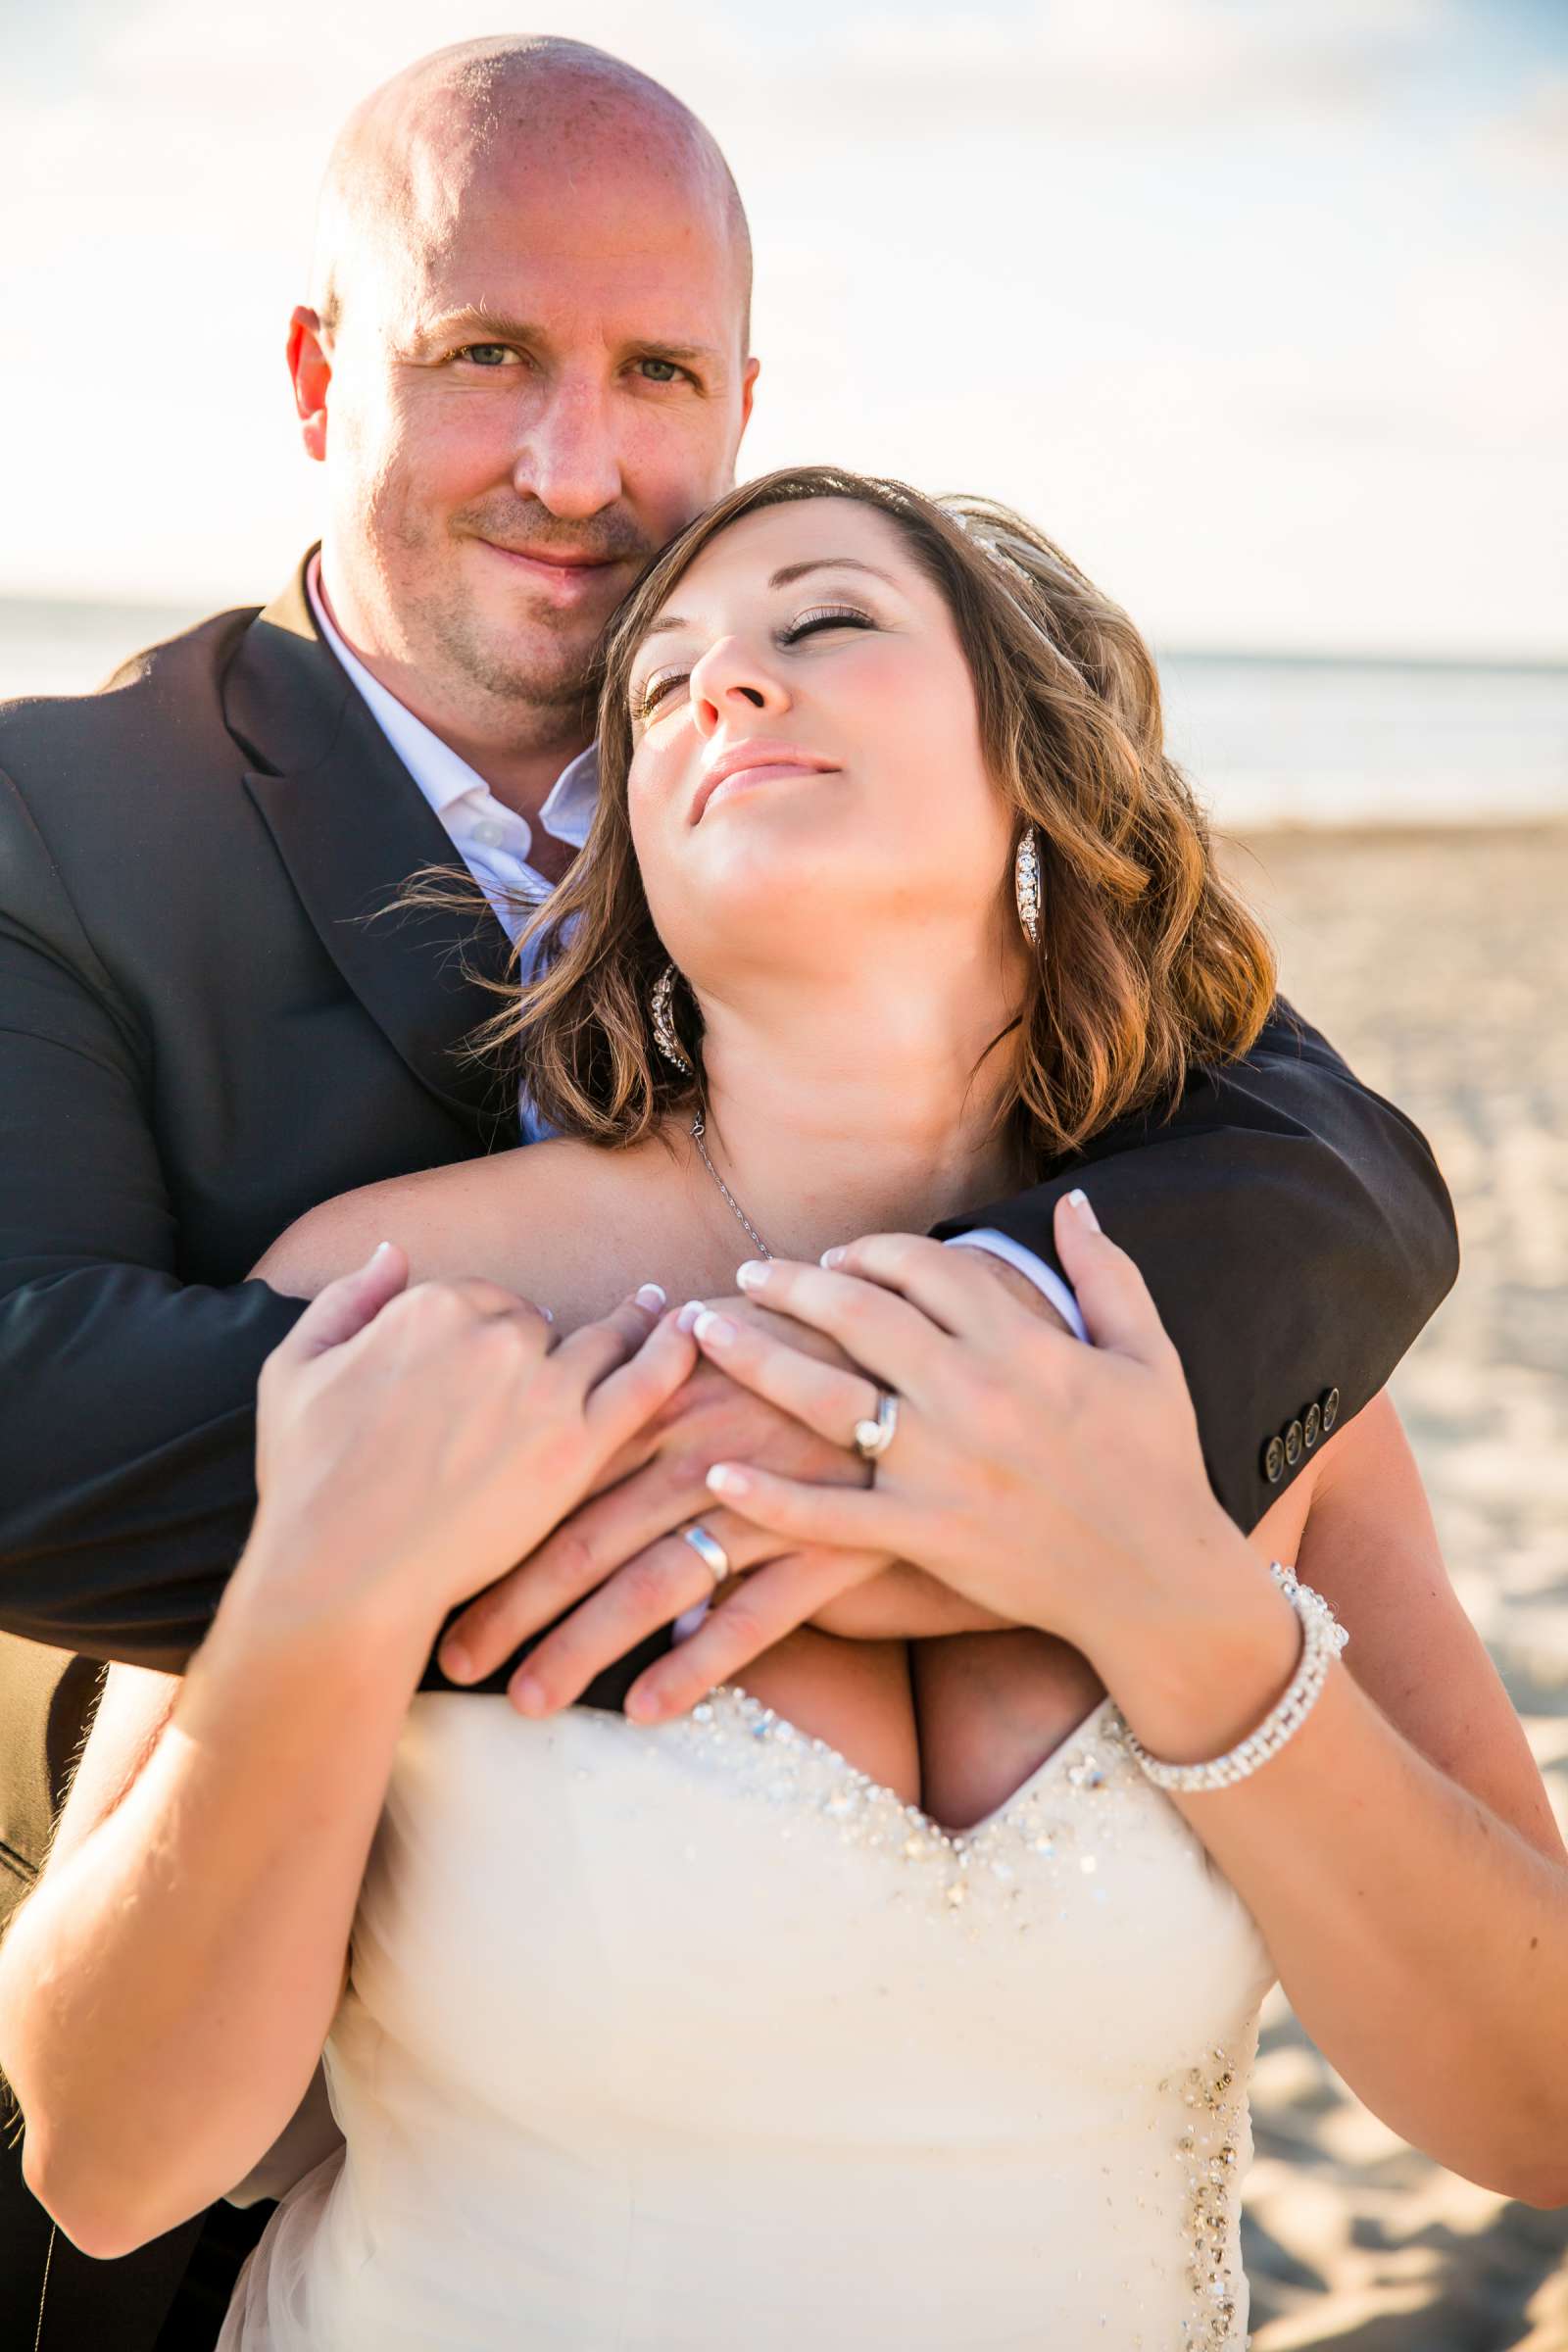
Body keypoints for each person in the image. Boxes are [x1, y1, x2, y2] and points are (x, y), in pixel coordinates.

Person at [0, 37, 1458, 2352]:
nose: (581, 468)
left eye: (656, 372)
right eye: (485, 354)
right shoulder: (58, 824)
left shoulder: (868, 859)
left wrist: (1034, 1471)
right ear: (318, 370)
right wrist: (707, 1425)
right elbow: (22, 1406)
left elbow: (1344, 1176)